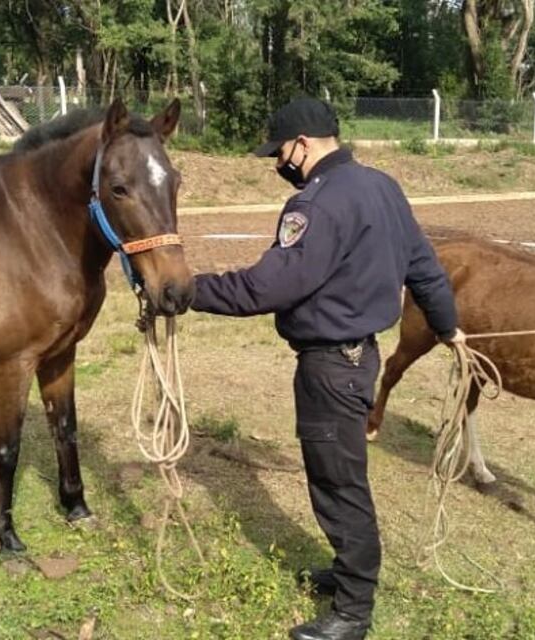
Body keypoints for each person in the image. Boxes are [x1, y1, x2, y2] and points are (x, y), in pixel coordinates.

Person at [191, 97, 462, 640]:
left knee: (339, 485)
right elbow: (426, 269)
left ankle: (353, 611)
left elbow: (266, 287)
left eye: (280, 151)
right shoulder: (383, 186)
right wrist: (449, 326)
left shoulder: (314, 204)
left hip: (330, 367)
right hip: (360, 360)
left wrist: (187, 290)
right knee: (340, 476)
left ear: (304, 145)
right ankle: (345, 573)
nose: (278, 163)